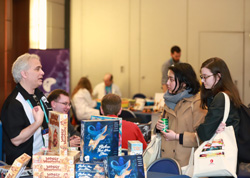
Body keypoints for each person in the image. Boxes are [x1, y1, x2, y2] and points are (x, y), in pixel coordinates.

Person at [0, 53, 52, 166]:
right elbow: (16, 139)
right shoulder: (14, 103)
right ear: (24, 74)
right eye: (37, 69)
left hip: (45, 160)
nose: (42, 72)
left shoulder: (38, 95)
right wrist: (37, 122)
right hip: (26, 168)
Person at [156, 62, 207, 167]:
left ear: (184, 83)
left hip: (186, 164)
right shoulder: (168, 99)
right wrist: (158, 127)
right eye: (167, 79)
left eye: (171, 79)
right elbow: (162, 126)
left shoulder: (197, 103)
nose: (167, 83)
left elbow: (202, 138)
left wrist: (177, 136)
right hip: (166, 161)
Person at [197, 57, 241, 141]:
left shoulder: (220, 98)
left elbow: (204, 133)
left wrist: (208, 129)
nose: (202, 80)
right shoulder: (230, 93)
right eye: (201, 77)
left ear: (218, 76)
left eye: (205, 77)